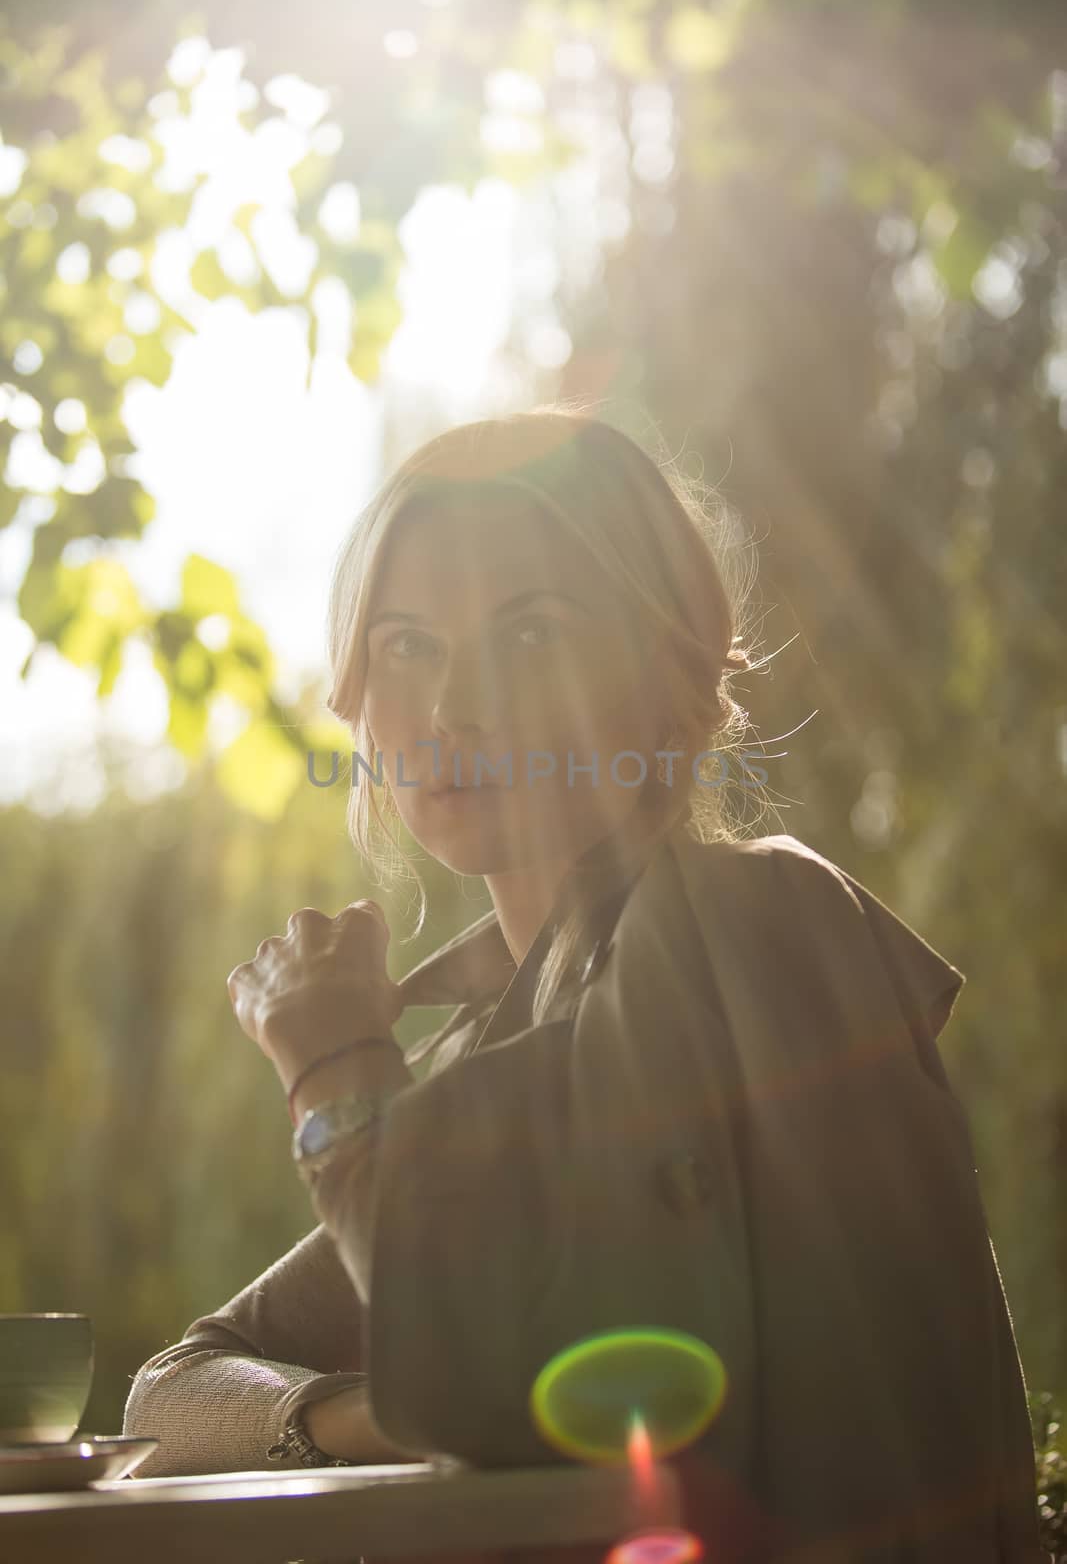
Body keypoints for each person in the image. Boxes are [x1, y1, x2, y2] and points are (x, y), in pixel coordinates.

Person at [124, 407, 1048, 1562]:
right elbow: (173, 1388)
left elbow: (496, 1379)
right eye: (408, 644)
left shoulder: (761, 924)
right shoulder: (479, 1043)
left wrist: (330, 1069)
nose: (455, 705)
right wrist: (358, 1414)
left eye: (529, 634)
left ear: (660, 666)